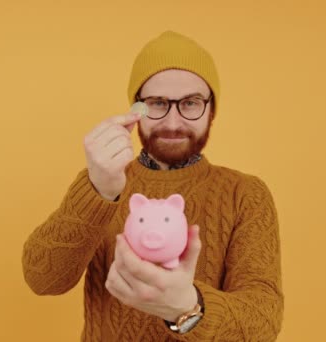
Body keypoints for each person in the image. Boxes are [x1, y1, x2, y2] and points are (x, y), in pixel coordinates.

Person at [22, 30, 284, 341]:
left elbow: (264, 322)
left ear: (211, 111)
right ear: (135, 110)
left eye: (190, 103)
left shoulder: (246, 195)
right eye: (157, 103)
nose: (173, 122)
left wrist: (186, 307)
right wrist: (98, 191)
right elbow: (43, 278)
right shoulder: (106, 183)